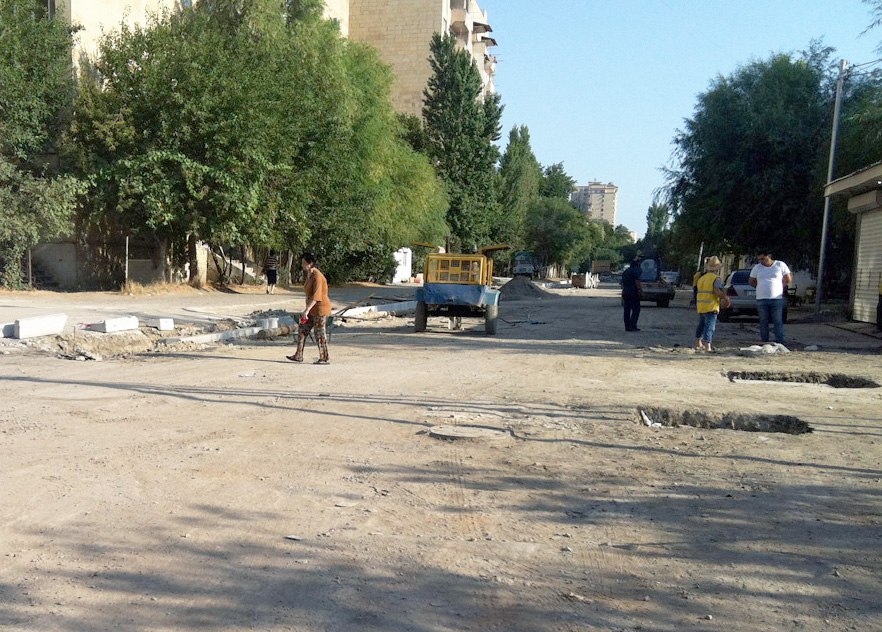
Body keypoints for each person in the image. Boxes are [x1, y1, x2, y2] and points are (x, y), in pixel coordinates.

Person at [287, 252, 331, 365]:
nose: (302, 265)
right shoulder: (309, 275)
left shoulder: (317, 276)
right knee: (302, 329)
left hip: (320, 309)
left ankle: (324, 357)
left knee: (319, 333)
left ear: (310, 264)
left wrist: (306, 310)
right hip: (312, 309)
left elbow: (317, 296)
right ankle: (298, 355)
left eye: (304, 263)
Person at [749, 252, 792, 344]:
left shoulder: (780, 265)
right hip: (762, 298)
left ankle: (779, 341)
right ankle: (764, 341)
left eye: (763, 259)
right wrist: (760, 286)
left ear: (769, 256)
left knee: (777, 320)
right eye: (759, 259)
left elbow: (788, 278)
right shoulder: (757, 267)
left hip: (776, 298)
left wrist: (780, 286)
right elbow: (751, 281)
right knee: (763, 321)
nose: (761, 261)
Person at [694, 256, 731, 352]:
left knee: (701, 324)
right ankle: (707, 346)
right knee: (710, 326)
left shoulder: (702, 278)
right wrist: (726, 298)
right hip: (711, 305)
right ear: (718, 269)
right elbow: (717, 291)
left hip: (701, 305)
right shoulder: (716, 278)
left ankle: (698, 342)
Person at [621, 258, 642, 332]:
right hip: (633, 293)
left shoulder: (625, 272)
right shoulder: (635, 271)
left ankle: (627, 326)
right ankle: (633, 325)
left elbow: (622, 283)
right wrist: (639, 289)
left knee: (627, 310)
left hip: (625, 292)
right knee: (636, 309)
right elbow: (637, 282)